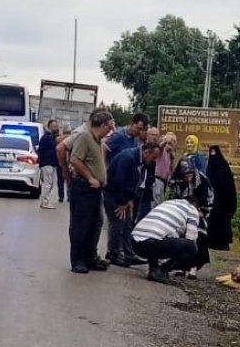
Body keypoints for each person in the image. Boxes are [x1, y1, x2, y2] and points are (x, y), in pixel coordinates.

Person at [68, 110, 115, 274]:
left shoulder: (98, 141)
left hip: (95, 190)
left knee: (95, 224)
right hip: (84, 187)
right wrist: (90, 177)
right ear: (102, 125)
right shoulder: (84, 137)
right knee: (82, 225)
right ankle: (78, 260)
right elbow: (75, 159)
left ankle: (89, 257)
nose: (110, 131)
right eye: (108, 127)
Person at [105, 142, 163, 266]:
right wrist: (122, 202)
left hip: (126, 195)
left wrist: (131, 200)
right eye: (153, 157)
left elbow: (135, 181)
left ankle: (129, 254)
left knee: (128, 224)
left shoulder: (141, 160)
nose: (154, 161)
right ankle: (113, 254)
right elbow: (118, 181)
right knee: (117, 223)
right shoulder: (128, 158)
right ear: (147, 153)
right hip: (114, 194)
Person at [132, 198, 203, 284]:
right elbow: (191, 239)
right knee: (191, 247)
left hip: (135, 242)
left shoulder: (168, 203)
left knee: (157, 236)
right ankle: (162, 270)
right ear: (197, 207)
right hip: (150, 244)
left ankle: (154, 268)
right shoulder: (192, 210)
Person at [168, 157, 214, 279]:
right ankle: (181, 267)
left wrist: (203, 212)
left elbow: (210, 198)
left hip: (199, 212)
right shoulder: (176, 181)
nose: (188, 177)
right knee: (181, 239)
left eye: (190, 174)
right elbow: (172, 198)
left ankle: (193, 268)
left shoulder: (203, 180)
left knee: (198, 238)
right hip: (181, 213)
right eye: (185, 175)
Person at [205, 146, 238, 251]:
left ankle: (222, 244)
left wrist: (230, 205)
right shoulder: (209, 168)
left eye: (215, 153)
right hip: (211, 203)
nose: (213, 156)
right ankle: (210, 242)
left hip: (223, 204)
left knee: (222, 224)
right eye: (211, 153)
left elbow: (230, 188)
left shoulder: (224, 168)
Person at [37, 120, 61, 209]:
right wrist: (42, 161)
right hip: (47, 163)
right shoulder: (45, 138)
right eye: (54, 126)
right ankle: (44, 202)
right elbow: (40, 150)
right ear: (50, 127)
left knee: (51, 183)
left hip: (53, 163)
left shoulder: (52, 137)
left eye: (57, 126)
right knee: (47, 183)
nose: (56, 128)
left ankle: (45, 201)